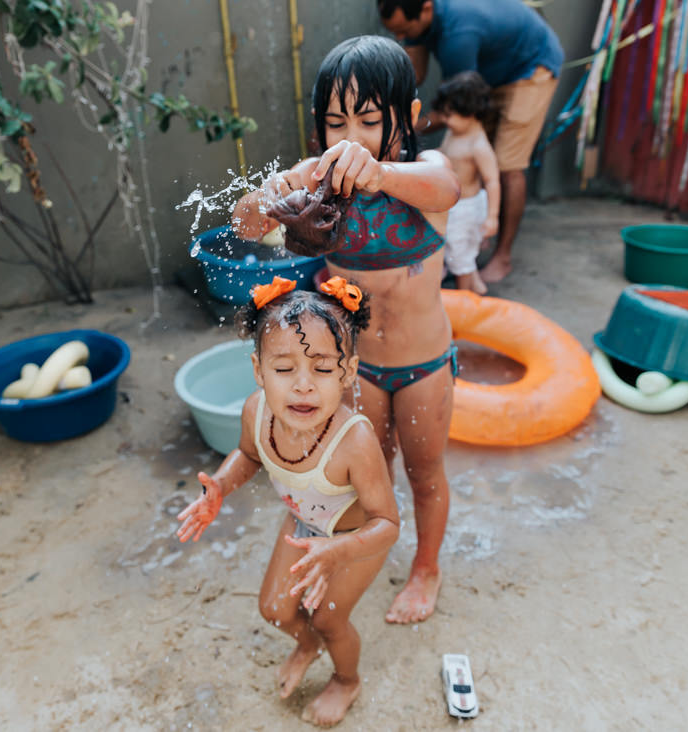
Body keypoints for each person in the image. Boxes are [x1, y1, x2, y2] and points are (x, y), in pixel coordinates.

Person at [232, 35, 461, 626]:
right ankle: (353, 553)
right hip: (359, 369)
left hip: (423, 365)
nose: (351, 138)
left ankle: (426, 568)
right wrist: (279, 190)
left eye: (368, 120)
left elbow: (448, 187)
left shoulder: (422, 174)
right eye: (336, 123)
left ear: (408, 118)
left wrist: (380, 172)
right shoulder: (320, 186)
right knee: (369, 475)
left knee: (425, 470)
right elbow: (247, 223)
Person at [176, 277, 399, 727]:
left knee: (331, 620)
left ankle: (346, 678)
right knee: (274, 610)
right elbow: (248, 454)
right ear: (259, 371)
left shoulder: (354, 441)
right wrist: (220, 486)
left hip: (354, 539)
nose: (303, 386)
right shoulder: (255, 410)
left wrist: (339, 552)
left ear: (349, 372)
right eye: (284, 369)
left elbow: (388, 523)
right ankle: (308, 643)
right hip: (304, 528)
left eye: (321, 368)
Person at [377, 0, 563, 283]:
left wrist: (407, 126)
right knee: (467, 155)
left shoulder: (458, 36)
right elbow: (415, 74)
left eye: (405, 31)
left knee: (507, 165)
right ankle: (474, 239)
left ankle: (502, 255)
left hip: (530, 66)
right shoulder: (418, 17)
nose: (401, 39)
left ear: (426, 8)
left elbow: (454, 110)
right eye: (396, 34)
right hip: (490, 70)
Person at [433, 71, 500, 295]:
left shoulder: (478, 145)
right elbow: (445, 153)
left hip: (467, 209)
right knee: (457, 247)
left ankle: (465, 297)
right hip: (453, 205)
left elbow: (492, 181)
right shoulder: (454, 133)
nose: (445, 120)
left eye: (450, 115)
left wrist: (492, 217)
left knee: (460, 253)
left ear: (470, 113)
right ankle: (476, 285)